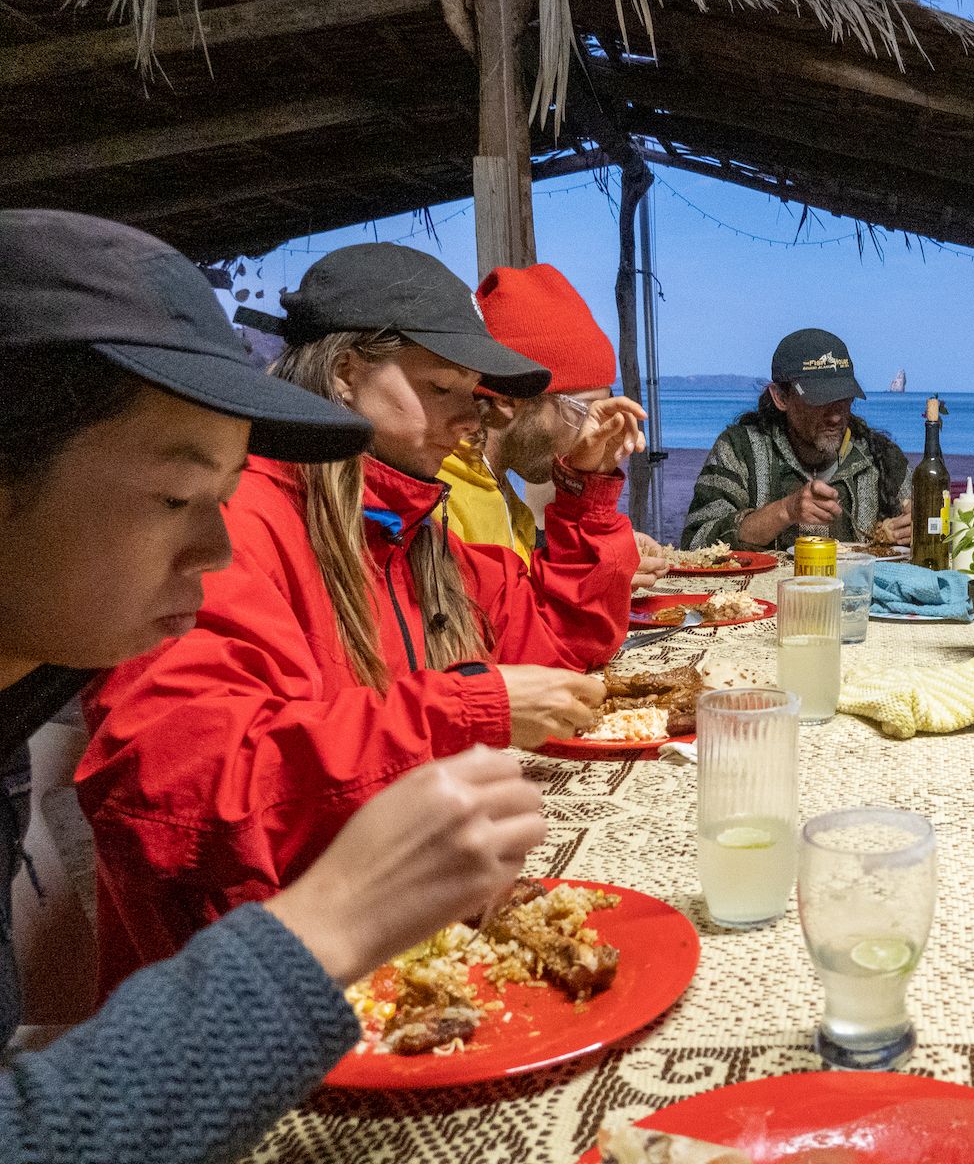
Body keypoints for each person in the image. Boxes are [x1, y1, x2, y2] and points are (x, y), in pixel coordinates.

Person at [0, 210, 548, 1163]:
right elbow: (164, 780)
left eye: (218, 495)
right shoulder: (268, 525)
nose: (212, 546)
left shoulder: (405, 523)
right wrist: (329, 924)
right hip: (242, 1036)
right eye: (179, 496)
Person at [80, 241, 640, 991]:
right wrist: (464, 711)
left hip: (405, 930)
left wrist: (587, 492)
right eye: (442, 388)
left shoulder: (406, 525)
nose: (470, 419)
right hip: (254, 989)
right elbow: (177, 797)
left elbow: (566, 645)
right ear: (346, 374)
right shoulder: (237, 527)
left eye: (475, 395)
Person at [436, 262, 671, 588]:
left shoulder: (494, 486)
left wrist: (603, 554)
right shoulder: (442, 503)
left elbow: (523, 582)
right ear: (507, 397)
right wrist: (596, 572)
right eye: (582, 411)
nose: (589, 434)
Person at [682, 329, 910, 551]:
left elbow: (933, 529)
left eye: (844, 400)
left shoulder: (881, 457)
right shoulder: (740, 450)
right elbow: (696, 542)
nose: (836, 416)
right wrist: (786, 511)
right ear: (781, 397)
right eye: (819, 401)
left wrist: (918, 528)